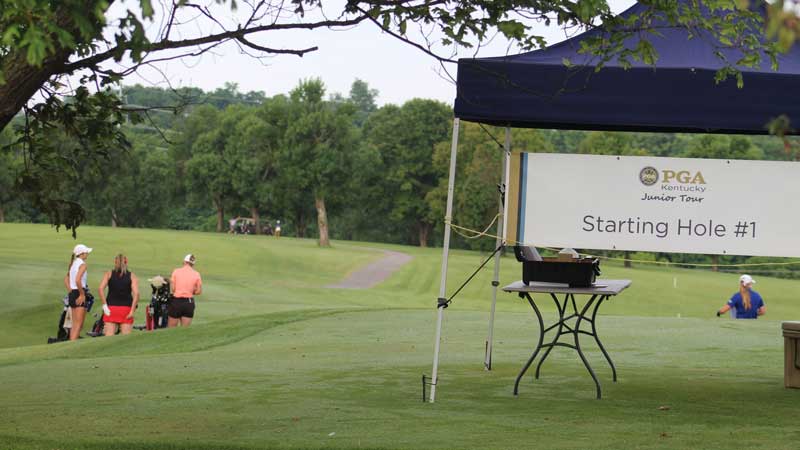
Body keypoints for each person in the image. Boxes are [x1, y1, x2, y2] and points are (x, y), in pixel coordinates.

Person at [98, 254, 139, 336]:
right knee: (125, 339)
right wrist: (132, 310)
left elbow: (100, 289)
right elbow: (136, 294)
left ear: (115, 262)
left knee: (109, 337)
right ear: (126, 263)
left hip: (111, 308)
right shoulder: (132, 276)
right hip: (126, 309)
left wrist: (105, 305)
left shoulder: (109, 274)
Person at [169, 253, 202, 328]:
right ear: (193, 264)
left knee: (171, 330)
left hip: (176, 302)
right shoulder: (197, 274)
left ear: (184, 262)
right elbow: (198, 291)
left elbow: (173, 289)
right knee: (185, 330)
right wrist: (191, 291)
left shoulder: (176, 271)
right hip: (189, 303)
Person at [67, 244, 93, 340]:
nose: (87, 254)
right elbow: (78, 280)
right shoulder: (82, 265)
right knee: (78, 325)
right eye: (86, 252)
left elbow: (68, 279)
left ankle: (70, 344)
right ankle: (71, 346)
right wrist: (82, 294)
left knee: (75, 324)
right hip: (79, 293)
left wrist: (72, 291)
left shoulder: (73, 263)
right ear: (81, 254)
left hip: (73, 293)